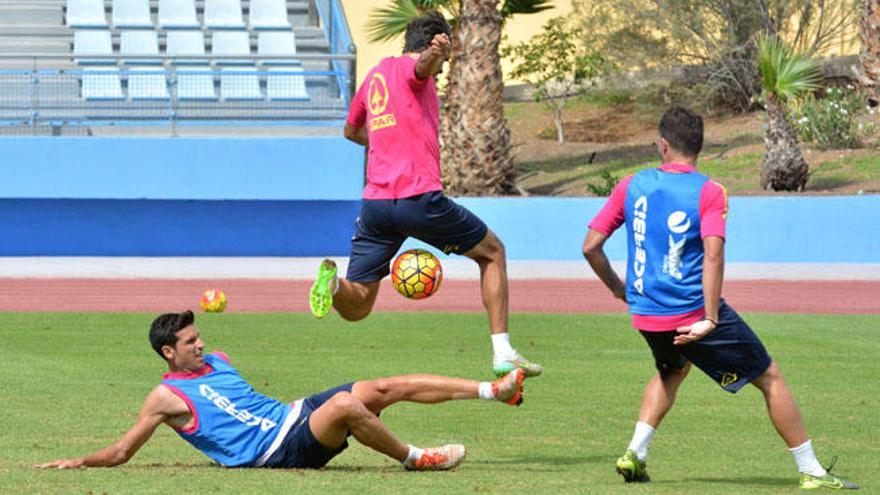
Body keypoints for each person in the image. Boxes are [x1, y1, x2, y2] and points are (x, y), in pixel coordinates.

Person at [581, 107, 858, 490]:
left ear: (663, 145)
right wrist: (710, 318)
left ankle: (635, 454)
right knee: (771, 377)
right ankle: (812, 471)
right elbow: (713, 254)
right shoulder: (709, 192)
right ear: (699, 147)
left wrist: (618, 287)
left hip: (646, 315)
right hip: (692, 314)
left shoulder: (631, 185)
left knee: (672, 370)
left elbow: (591, 247)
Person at [309, 11, 542, 378]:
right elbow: (420, 68)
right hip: (419, 199)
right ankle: (503, 352)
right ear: (433, 42)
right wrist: (436, 52)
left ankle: (333, 284)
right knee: (493, 253)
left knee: (359, 305)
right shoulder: (412, 70)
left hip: (376, 205)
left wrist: (386, 140)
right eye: (445, 56)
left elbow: (350, 131)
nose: (444, 66)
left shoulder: (373, 77)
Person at [35, 311, 526, 471]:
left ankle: (492, 390)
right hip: (276, 449)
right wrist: (80, 462)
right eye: (189, 341)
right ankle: (415, 458)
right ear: (168, 353)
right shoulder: (165, 399)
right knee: (345, 404)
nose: (201, 342)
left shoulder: (218, 360)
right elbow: (124, 451)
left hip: (293, 414)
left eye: (198, 334)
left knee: (381, 385)